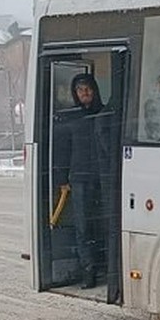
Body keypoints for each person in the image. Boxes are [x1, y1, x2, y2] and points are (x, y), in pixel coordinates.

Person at [61, 73, 107, 289]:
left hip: (104, 177)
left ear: (95, 89)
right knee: (83, 227)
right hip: (79, 179)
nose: (84, 93)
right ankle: (88, 270)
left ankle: (107, 265)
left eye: (87, 88)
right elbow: (63, 151)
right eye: (80, 90)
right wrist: (63, 179)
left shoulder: (106, 113)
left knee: (105, 224)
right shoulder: (71, 118)